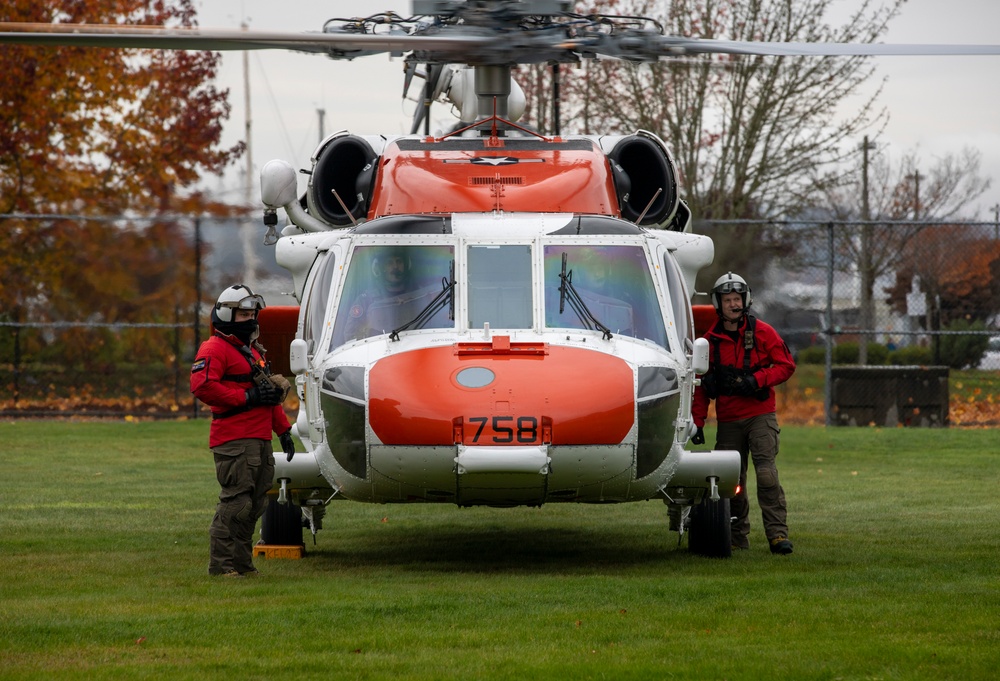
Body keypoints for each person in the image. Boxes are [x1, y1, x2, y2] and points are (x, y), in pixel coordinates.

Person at [190, 284, 295, 577]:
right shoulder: (214, 348)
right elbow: (202, 385)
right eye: (243, 314)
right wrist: (244, 398)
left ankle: (242, 564)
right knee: (236, 503)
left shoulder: (251, 352)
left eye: (252, 313)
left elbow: (269, 395)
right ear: (226, 315)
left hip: (259, 438)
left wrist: (283, 430)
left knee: (257, 503)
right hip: (234, 439)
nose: (249, 319)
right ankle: (221, 566)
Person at [691, 272, 796, 554]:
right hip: (728, 420)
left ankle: (777, 535)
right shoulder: (708, 342)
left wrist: (757, 380)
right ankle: (737, 537)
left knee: (766, 475)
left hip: (760, 415)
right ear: (718, 304)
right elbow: (701, 386)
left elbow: (786, 366)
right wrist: (697, 422)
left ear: (745, 300)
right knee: (731, 483)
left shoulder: (764, 333)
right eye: (728, 300)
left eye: (738, 299)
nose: (734, 305)